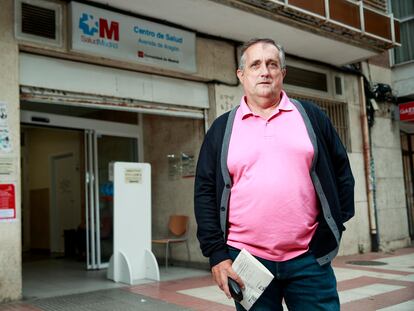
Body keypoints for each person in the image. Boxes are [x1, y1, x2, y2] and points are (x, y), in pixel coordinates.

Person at [194, 38, 355, 310]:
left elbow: (342, 174)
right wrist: (217, 255)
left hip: (308, 259)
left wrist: (333, 227)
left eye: (272, 64)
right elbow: (205, 192)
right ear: (241, 75)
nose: (264, 71)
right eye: (255, 64)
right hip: (246, 262)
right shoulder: (222, 129)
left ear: (282, 73)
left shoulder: (312, 117)